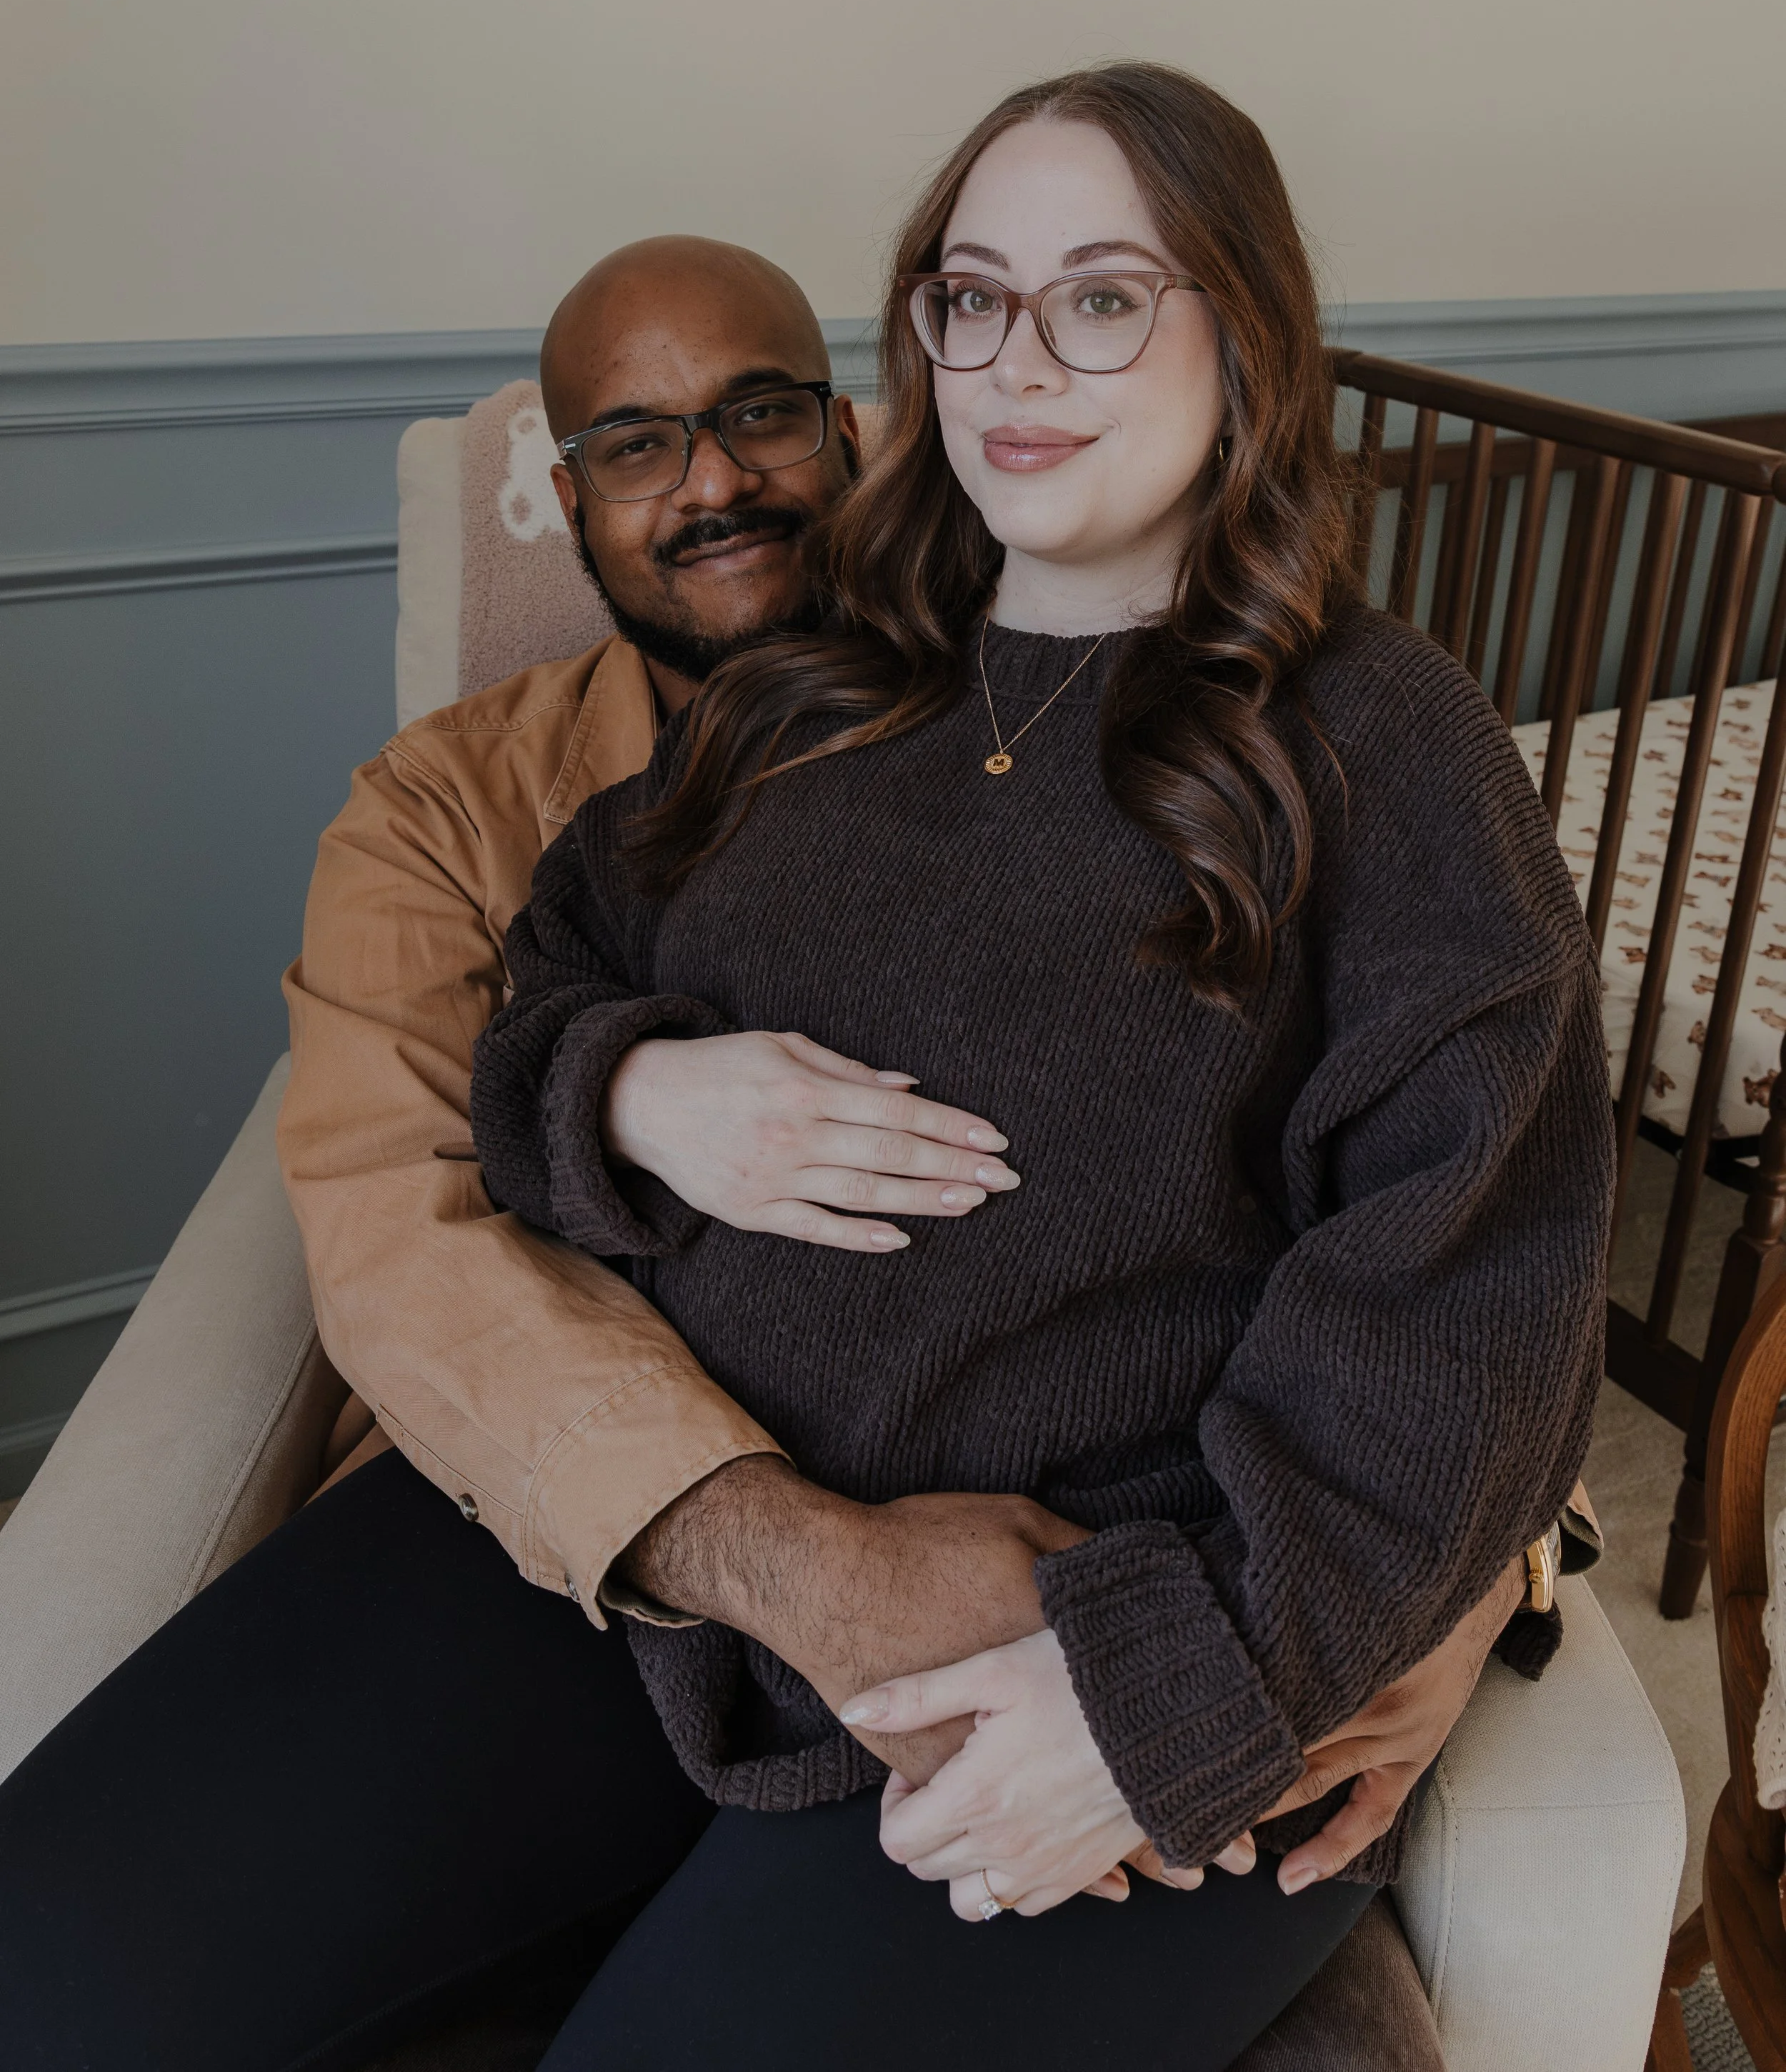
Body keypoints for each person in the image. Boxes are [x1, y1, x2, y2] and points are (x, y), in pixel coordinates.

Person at [0, 206, 1550, 2072]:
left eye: (761, 416)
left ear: (853, 431)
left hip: (1078, 1560)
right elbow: (405, 1248)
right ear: (559, 502)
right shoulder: (449, 810)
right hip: (599, 1550)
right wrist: (778, 1523)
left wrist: (1475, 1561)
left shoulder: (1151, 702)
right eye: (636, 444)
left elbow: (1442, 1176)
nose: (713, 481)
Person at [464, 61, 1613, 2068]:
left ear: (1241, 335)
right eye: (967, 294)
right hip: (671, 1557)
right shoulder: (827, 669)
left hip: (1084, 1635)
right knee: (63, 1947)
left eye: (1100, 295)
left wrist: (1176, 1695)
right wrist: (633, 1093)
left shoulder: (1383, 746)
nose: (1019, 358)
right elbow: (552, 963)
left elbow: (1474, 1292)